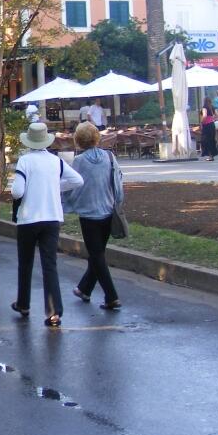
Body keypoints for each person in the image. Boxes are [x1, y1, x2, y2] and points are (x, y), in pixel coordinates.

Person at [11, 122, 84, 328]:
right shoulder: (55, 161)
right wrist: (55, 187)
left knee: (25, 263)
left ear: (29, 141)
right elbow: (78, 180)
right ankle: (54, 311)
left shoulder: (25, 161)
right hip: (52, 217)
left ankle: (23, 303)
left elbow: (17, 191)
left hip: (28, 218)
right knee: (49, 264)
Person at [63, 122, 124, 310]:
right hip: (107, 210)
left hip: (89, 215)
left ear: (79, 140)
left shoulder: (79, 161)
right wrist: (118, 202)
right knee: (98, 254)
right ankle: (84, 289)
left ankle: (111, 296)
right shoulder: (109, 156)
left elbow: (72, 185)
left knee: (96, 255)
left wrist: (65, 203)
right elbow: (118, 182)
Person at [200, 97, 218, 161]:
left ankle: (209, 155)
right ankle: (212, 156)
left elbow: (204, 115)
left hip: (206, 125)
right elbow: (217, 114)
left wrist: (201, 121)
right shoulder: (212, 107)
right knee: (212, 140)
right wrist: (213, 119)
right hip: (212, 125)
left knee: (206, 140)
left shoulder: (204, 107)